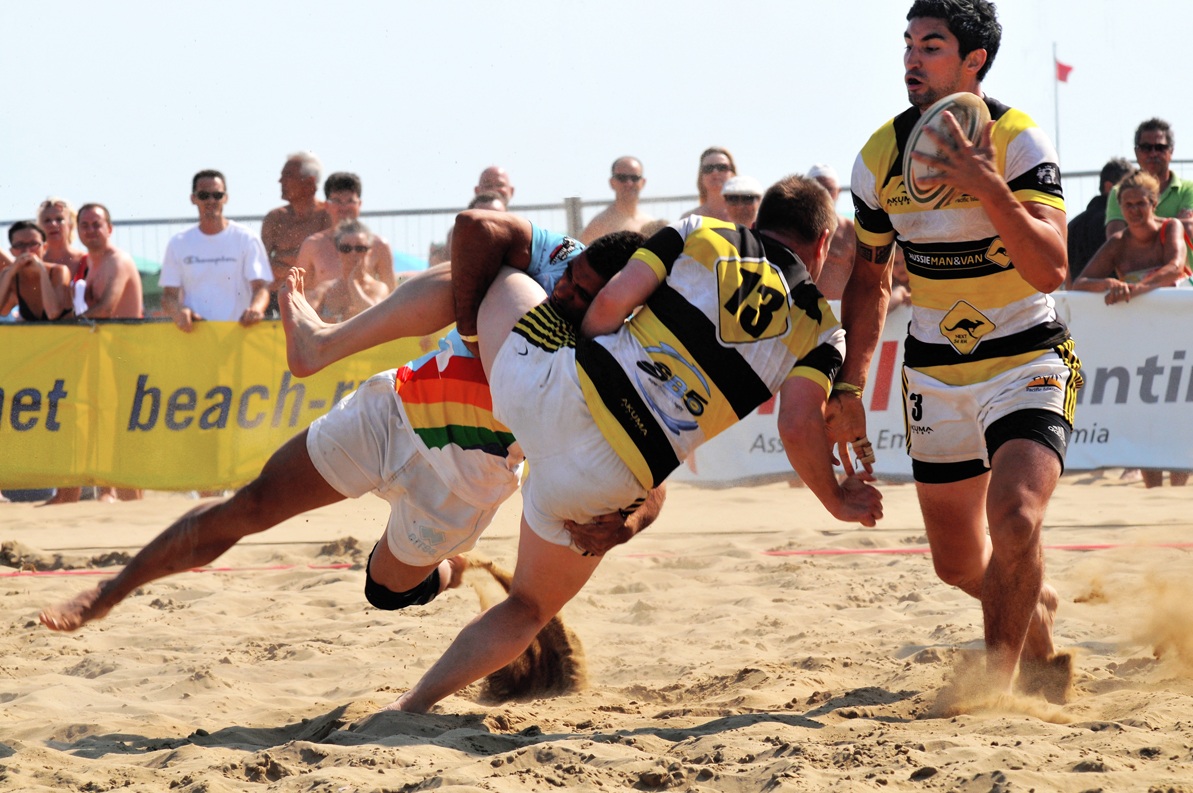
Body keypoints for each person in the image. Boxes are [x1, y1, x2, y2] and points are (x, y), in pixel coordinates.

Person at [389, 175, 884, 713]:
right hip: (606, 478)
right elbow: (797, 427)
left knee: (503, 272)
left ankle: (351, 344)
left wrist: (574, 381)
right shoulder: (821, 330)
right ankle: (412, 705)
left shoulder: (700, 231)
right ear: (822, 243)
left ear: (760, 219)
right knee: (527, 608)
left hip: (551, 389)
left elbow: (608, 305)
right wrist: (837, 499)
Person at [39, 223, 660, 634]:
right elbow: (474, 229)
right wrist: (477, 323)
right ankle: (108, 593)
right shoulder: (559, 263)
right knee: (250, 505)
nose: (564, 294)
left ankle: (457, 569)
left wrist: (628, 524)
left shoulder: (639, 353)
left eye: (582, 296)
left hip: (465, 482)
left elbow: (656, 466)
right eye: (570, 281)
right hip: (395, 410)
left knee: (385, 592)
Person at [833, 0, 1079, 702]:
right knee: (956, 563)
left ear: (974, 60)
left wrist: (987, 186)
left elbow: (1051, 268)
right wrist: (849, 388)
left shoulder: (1018, 140)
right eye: (908, 44)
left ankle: (996, 690)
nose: (911, 59)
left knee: (1016, 519)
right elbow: (869, 282)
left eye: (931, 46)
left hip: (1026, 357)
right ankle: (1033, 606)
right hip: (935, 373)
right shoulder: (879, 155)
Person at [1072, 171, 1189, 489]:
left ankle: (1178, 491)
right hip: (1140, 342)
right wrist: (1109, 284)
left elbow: (1174, 267)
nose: (1135, 210)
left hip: (1178, 338)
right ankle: (1154, 492)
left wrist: (1135, 290)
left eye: (1141, 203)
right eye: (1128, 204)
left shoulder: (1170, 227)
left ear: (1154, 203)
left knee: (1178, 416)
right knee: (1146, 418)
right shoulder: (1118, 243)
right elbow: (1080, 283)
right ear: (1120, 207)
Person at [160, 170, 271, 332]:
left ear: (226, 198)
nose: (211, 200)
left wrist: (256, 309)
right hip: (196, 336)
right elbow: (169, 296)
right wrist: (179, 312)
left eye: (217, 195)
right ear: (193, 199)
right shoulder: (178, 242)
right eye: (204, 195)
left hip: (239, 333)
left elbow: (261, 287)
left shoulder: (246, 238)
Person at [294, 172, 397, 292]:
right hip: (325, 304)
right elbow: (296, 291)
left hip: (365, 304)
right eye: (337, 201)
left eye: (350, 201)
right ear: (326, 206)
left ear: (359, 204)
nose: (344, 207)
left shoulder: (379, 245)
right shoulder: (313, 245)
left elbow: (391, 293)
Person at [261, 153, 333, 315]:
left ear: (310, 182)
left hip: (315, 301)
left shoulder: (327, 215)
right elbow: (262, 266)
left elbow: (327, 267)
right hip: (277, 300)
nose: (280, 181)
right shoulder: (275, 218)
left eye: (288, 175)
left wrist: (282, 266)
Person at [1105, 119, 1193, 249]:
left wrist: (1138, 230)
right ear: (1136, 152)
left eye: (1160, 148)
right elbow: (1116, 242)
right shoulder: (1119, 192)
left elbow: (1190, 230)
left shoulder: (1189, 189)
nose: (1153, 153)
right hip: (1139, 264)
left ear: (1171, 151)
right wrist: (1175, 225)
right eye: (1146, 148)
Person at [307, 219, 390, 322]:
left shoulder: (378, 288)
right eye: (346, 248)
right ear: (338, 252)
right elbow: (306, 320)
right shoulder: (325, 290)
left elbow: (376, 317)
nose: (353, 253)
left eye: (360, 248)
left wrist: (352, 283)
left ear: (369, 252)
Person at [1066, 157, 1133, 283]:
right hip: (1115, 291)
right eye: (1127, 186)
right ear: (1109, 187)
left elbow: (1068, 275)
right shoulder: (1118, 223)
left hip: (1078, 293)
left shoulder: (1073, 225)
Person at [76, 204, 144, 320]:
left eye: (96, 225)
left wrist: (68, 324)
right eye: (85, 225)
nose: (90, 230)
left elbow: (105, 310)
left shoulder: (118, 261)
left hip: (124, 331)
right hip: (103, 331)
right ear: (77, 230)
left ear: (110, 229)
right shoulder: (89, 262)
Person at [0, 221, 72, 322]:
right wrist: (10, 273)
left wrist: (42, 270)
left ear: (45, 248)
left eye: (33, 244)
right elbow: (2, 311)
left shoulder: (58, 271)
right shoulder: (10, 275)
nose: (27, 251)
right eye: (20, 245)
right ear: (12, 251)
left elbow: (53, 313)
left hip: (65, 331)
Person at [805, 163, 857, 300]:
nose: (824, 194)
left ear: (838, 192)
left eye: (829, 189)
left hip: (838, 310)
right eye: (818, 188)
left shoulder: (850, 231)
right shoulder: (793, 230)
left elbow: (866, 276)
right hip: (801, 309)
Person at [579, 156, 656, 244]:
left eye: (634, 178)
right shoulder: (599, 226)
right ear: (612, 182)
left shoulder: (650, 224)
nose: (629, 183)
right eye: (622, 178)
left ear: (643, 182)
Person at [36, 198, 88, 281]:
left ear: (71, 225)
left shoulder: (88, 261)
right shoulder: (35, 263)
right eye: (47, 220)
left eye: (59, 219)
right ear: (39, 227)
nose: (53, 224)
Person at [682, 147, 736, 221]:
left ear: (732, 174)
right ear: (701, 176)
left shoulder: (745, 217)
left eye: (722, 167)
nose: (715, 172)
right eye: (708, 168)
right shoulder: (689, 220)